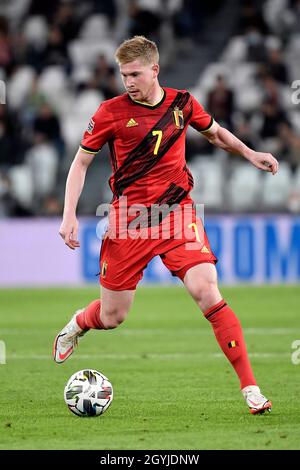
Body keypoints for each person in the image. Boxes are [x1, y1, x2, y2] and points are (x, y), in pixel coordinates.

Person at [53, 36, 278, 415]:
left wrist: (249, 152)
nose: (128, 82)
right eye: (123, 75)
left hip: (178, 214)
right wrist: (68, 214)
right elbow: (80, 164)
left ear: (154, 70)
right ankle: (78, 323)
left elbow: (216, 133)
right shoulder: (110, 112)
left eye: (135, 74)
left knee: (207, 291)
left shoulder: (183, 103)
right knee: (113, 316)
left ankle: (251, 388)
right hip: (129, 221)